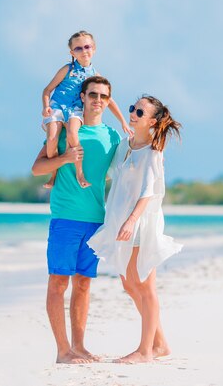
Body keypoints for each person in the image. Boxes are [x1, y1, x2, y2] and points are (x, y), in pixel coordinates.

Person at [32, 76, 122, 364]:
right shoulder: (64, 131)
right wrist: (65, 158)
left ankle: (79, 347)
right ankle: (62, 351)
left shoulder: (112, 137)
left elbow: (128, 169)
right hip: (65, 218)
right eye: (93, 94)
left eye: (104, 96)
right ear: (82, 97)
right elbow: (37, 168)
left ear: (109, 102)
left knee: (84, 284)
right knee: (59, 282)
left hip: (96, 219)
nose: (98, 100)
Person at [87, 95, 183, 364]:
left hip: (140, 223)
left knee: (144, 285)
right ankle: (160, 343)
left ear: (152, 121)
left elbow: (148, 192)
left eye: (139, 112)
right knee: (129, 284)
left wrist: (131, 220)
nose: (133, 114)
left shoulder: (153, 152)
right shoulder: (123, 145)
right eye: (132, 109)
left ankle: (145, 351)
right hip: (119, 221)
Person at [42, 30, 131, 189]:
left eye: (87, 47)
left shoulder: (93, 75)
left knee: (72, 135)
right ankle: (53, 174)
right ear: (72, 52)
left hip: (75, 109)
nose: (84, 51)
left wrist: (123, 121)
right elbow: (47, 90)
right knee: (51, 140)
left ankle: (79, 173)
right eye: (78, 48)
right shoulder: (67, 69)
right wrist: (46, 107)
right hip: (57, 107)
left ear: (94, 49)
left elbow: (109, 99)